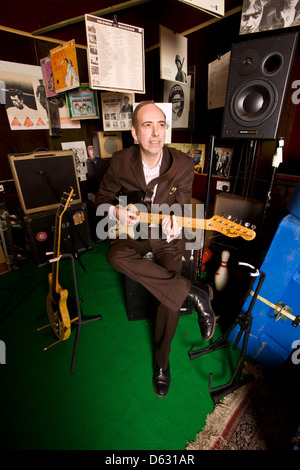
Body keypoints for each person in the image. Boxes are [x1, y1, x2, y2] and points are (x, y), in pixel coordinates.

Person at [95, 101, 215, 397]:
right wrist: (115, 212)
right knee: (115, 255)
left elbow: (184, 207)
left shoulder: (184, 163)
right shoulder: (121, 161)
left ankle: (162, 364)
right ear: (135, 133)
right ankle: (193, 293)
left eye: (161, 124)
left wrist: (178, 222)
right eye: (147, 125)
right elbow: (100, 200)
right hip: (134, 232)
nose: (155, 132)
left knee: (168, 298)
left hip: (167, 238)